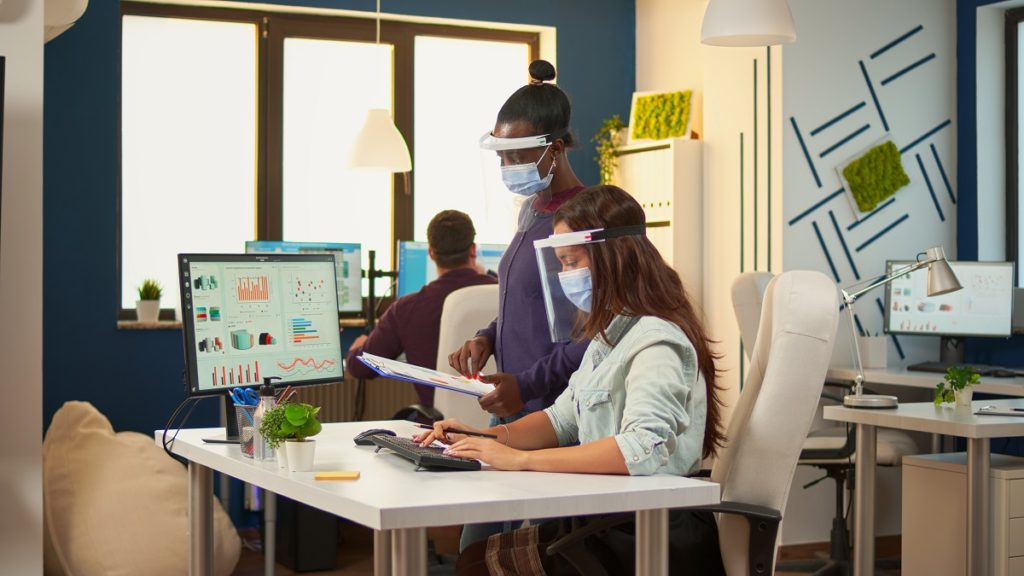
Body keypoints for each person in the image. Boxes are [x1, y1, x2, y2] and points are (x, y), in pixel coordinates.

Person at [418, 185, 727, 575]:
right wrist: (485, 438)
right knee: (475, 558)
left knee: (477, 564)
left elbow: (642, 448)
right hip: (608, 520)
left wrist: (522, 461)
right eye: (560, 264)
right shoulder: (611, 336)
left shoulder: (656, 341)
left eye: (571, 261)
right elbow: (561, 420)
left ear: (612, 257)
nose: (565, 276)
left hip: (646, 533)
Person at [448, 59, 591, 551]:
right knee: (477, 549)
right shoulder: (534, 211)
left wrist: (526, 385)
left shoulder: (585, 220)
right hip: (512, 405)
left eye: (517, 155)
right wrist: (487, 336)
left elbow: (597, 335)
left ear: (553, 150)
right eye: (501, 157)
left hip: (554, 415)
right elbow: (528, 299)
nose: (508, 168)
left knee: (516, 554)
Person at [345, 210, 496, 410]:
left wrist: (357, 347)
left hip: (439, 433)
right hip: (505, 428)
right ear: (473, 250)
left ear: (431, 252)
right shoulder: (503, 294)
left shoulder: (406, 309)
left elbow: (360, 368)